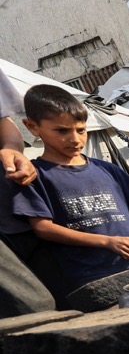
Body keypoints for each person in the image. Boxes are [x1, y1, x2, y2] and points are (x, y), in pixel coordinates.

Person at [11, 85, 129, 294]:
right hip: (89, 279)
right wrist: (107, 242)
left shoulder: (108, 169)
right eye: (62, 131)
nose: (75, 139)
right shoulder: (34, 175)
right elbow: (43, 228)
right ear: (33, 127)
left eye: (81, 130)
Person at [0, 68, 58, 317]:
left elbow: (4, 124)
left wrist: (13, 150)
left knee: (61, 293)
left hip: (12, 205)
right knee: (34, 306)